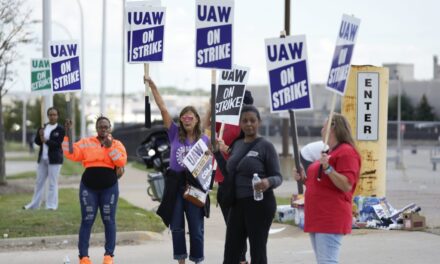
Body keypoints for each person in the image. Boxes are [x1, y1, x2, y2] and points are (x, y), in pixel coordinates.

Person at [145, 77, 209, 264]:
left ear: (196, 120)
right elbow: (163, 108)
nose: (187, 120)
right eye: (184, 117)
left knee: (196, 229)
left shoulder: (203, 139)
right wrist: (153, 86)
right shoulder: (174, 133)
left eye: (191, 117)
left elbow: (211, 112)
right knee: (177, 227)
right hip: (175, 184)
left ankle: (197, 259)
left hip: (194, 185)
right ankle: (181, 260)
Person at [214, 105, 283, 264]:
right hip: (237, 205)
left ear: (259, 122)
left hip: (259, 204)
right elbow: (229, 173)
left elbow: (278, 177)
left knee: (257, 252)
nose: (249, 124)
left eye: (252, 120)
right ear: (240, 123)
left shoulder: (266, 146)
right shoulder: (237, 145)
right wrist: (217, 153)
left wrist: (268, 182)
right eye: (245, 121)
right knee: (231, 252)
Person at [294, 113, 361, 264]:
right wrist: (304, 179)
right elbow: (322, 184)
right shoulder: (330, 152)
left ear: (333, 128)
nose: (321, 130)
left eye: (324, 126)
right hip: (317, 217)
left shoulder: (346, 152)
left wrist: (329, 168)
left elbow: (346, 185)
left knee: (327, 261)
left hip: (330, 216)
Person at [63, 116, 127, 264]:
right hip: (88, 187)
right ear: (96, 128)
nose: (103, 129)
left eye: (106, 127)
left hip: (109, 187)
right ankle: (84, 257)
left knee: (109, 220)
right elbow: (70, 153)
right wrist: (68, 133)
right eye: (100, 127)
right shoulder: (86, 143)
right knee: (87, 220)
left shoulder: (117, 144)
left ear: (110, 128)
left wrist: (110, 146)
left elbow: (121, 161)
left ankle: (108, 255)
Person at [202, 90, 254, 264]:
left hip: (241, 181)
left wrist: (226, 150)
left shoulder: (247, 124)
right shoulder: (225, 119)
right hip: (224, 179)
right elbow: (205, 129)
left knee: (238, 227)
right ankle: (241, 258)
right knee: (232, 226)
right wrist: (211, 105)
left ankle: (241, 259)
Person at [24, 107, 65, 210]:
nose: (52, 116)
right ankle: (34, 205)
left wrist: (45, 140)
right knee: (39, 182)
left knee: (52, 183)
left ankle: (51, 206)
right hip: (43, 158)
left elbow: (57, 144)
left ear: (57, 116)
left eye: (54, 115)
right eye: (50, 114)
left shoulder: (60, 129)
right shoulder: (43, 127)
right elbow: (38, 142)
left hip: (55, 159)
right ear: (48, 116)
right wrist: (40, 135)